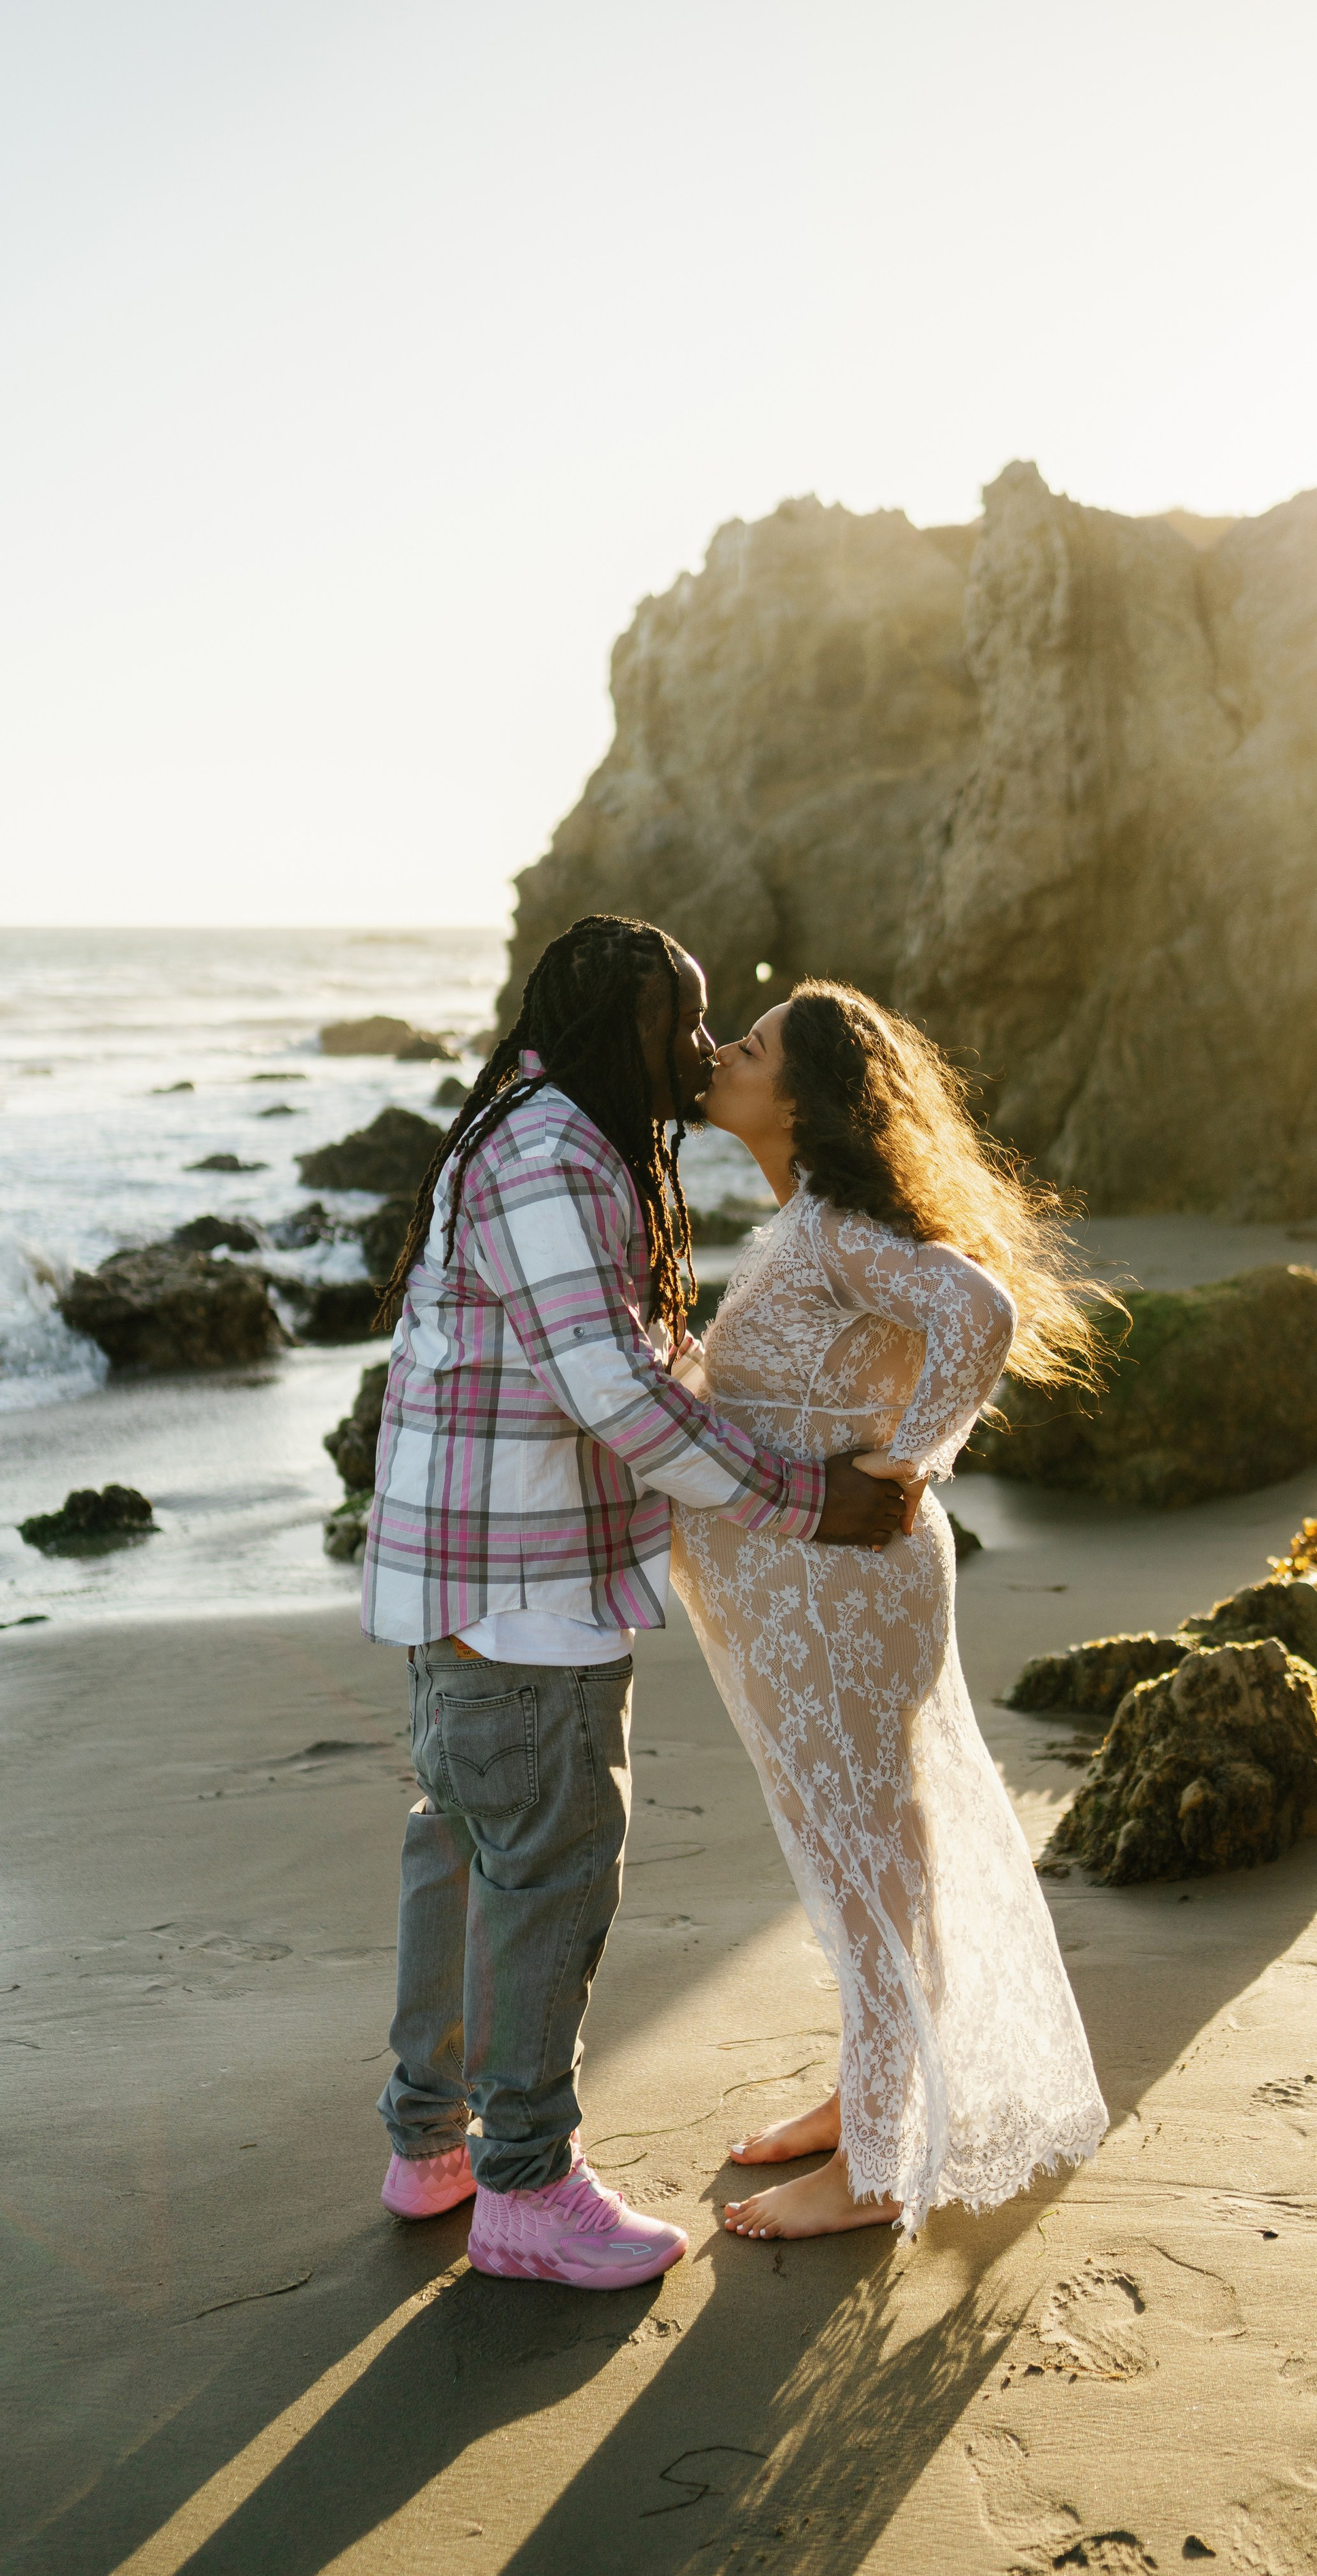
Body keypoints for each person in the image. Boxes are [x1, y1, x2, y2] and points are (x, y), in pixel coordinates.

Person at [360, 915, 906, 2291]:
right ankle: (526, 2190)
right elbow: (612, 1390)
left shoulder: (557, 1135)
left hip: (478, 1580)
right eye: (684, 1021)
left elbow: (632, 1365)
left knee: (468, 1855)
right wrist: (808, 1498)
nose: (703, 1049)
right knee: (547, 1873)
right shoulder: (554, 1152)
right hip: (521, 1588)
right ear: (621, 1027)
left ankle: (431, 2146)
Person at [670, 980, 1114, 2239]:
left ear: (804, 1097)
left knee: (865, 1857)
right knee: (865, 1851)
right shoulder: (804, 1225)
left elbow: (979, 1309)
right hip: (816, 1599)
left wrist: (912, 1457)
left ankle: (875, 2162)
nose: (722, 1053)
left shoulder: (832, 1230)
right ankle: (874, 2098)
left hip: (839, 1598)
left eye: (751, 1045)